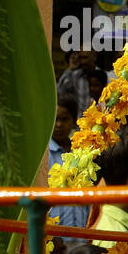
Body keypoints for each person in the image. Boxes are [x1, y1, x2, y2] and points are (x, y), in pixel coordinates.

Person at [48, 94, 90, 233]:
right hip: (52, 236)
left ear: (74, 121)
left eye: (64, 119)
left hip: (81, 232)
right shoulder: (44, 154)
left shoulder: (82, 152)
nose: (59, 124)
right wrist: (49, 232)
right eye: (54, 119)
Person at [56, 49, 98, 115]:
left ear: (94, 57)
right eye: (80, 58)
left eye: (85, 58)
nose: (82, 61)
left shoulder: (102, 75)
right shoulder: (74, 75)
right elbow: (60, 92)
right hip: (79, 121)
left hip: (97, 120)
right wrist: (70, 69)